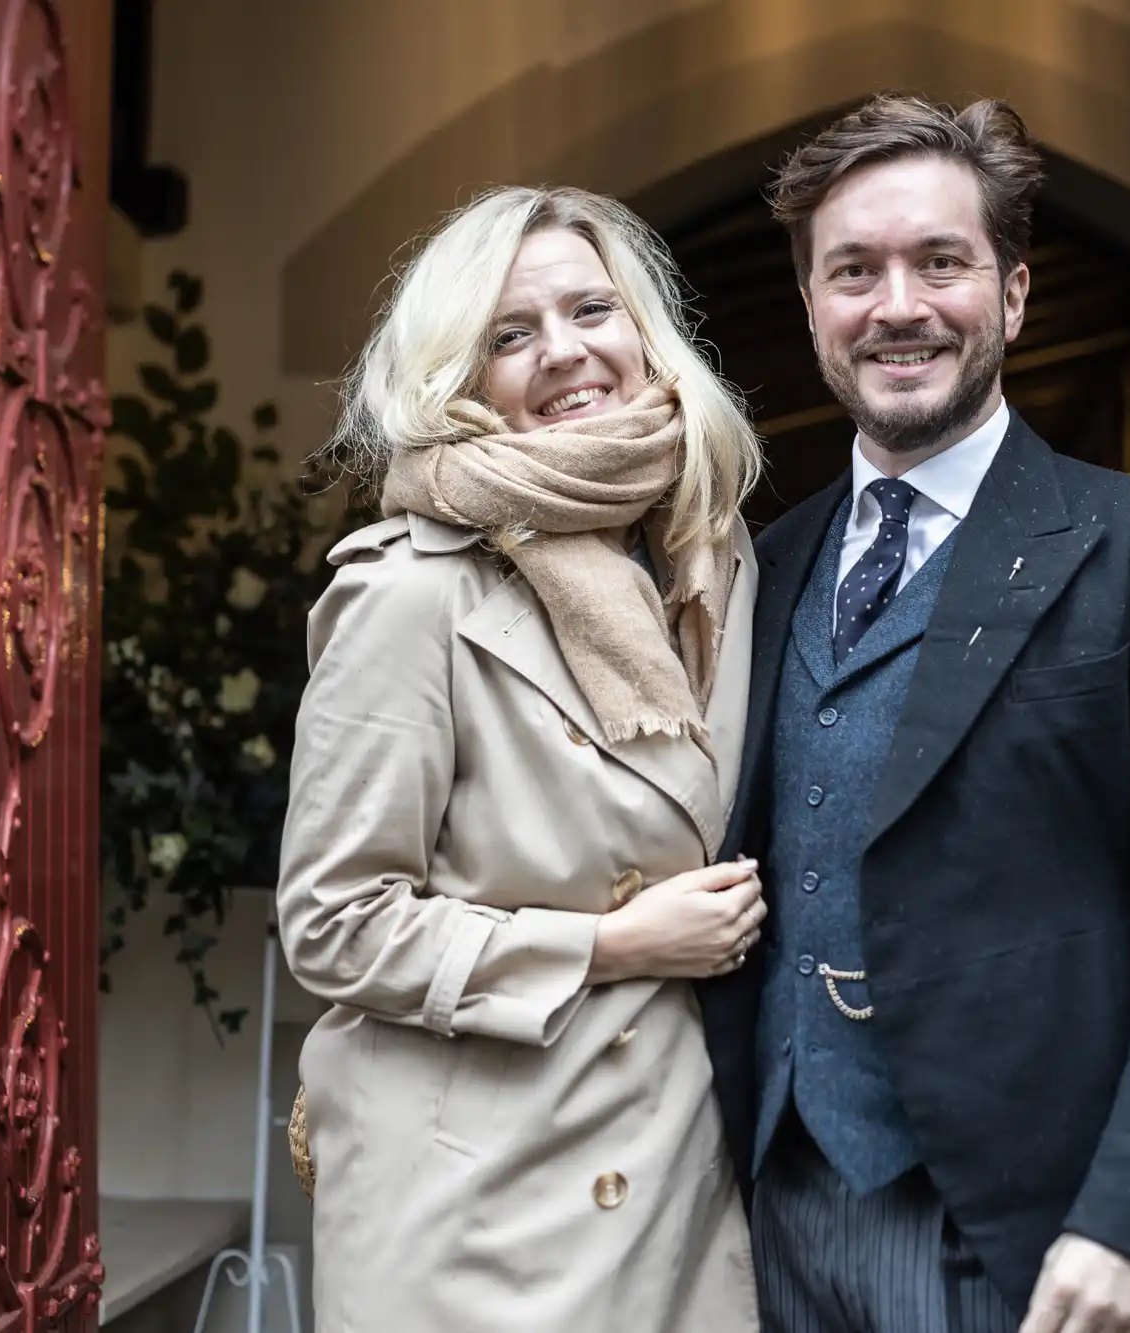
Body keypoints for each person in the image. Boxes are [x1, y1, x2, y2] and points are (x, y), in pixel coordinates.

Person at [696, 95, 1130, 1333]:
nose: (897, 305)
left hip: (1033, 1238)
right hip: (781, 1216)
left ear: (1012, 295)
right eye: (852, 270)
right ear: (811, 307)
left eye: (940, 262)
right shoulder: (767, 561)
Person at [277, 185, 769, 1332]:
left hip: (676, 1187)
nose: (563, 352)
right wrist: (607, 943)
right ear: (459, 379)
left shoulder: (715, 557)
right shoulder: (408, 592)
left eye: (590, 310)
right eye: (509, 333)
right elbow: (333, 920)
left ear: (644, 330)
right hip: (476, 1215)